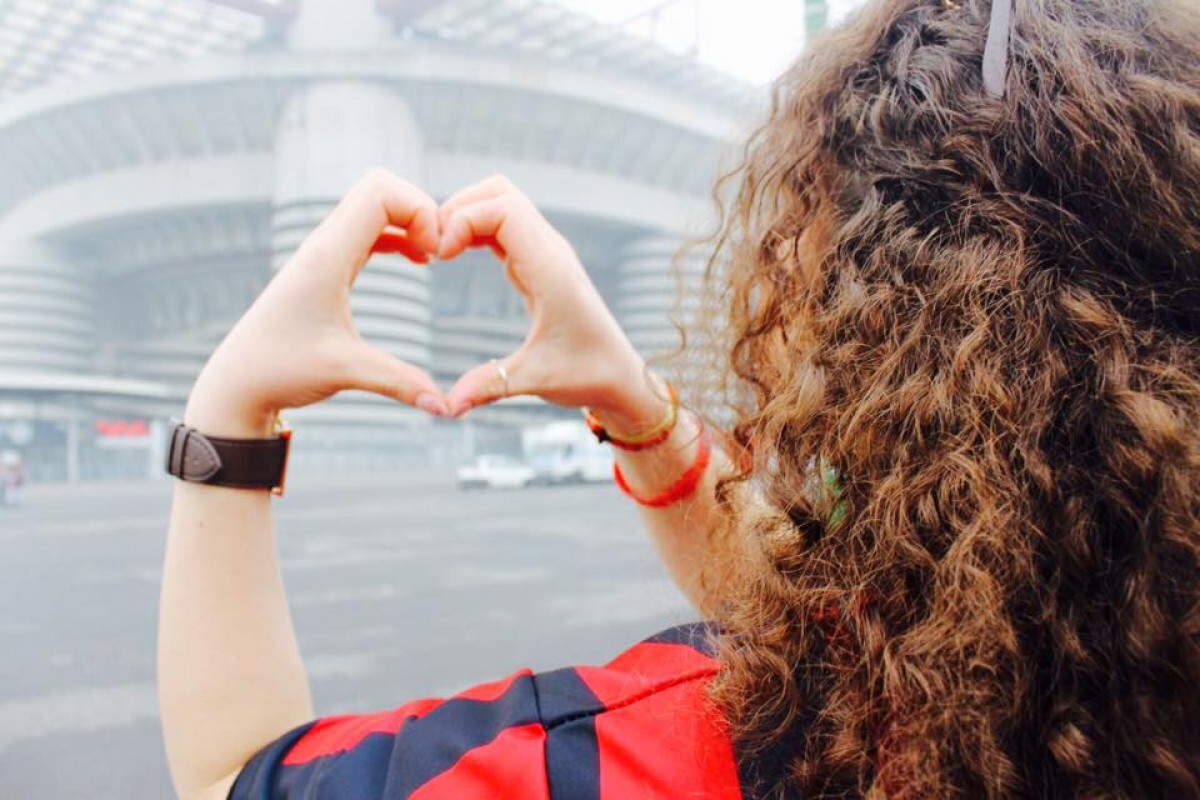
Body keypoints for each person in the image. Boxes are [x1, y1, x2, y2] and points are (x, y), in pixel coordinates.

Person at [157, 0, 1200, 797]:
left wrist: (229, 414)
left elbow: (232, 775)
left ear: (876, 351)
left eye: (792, 261)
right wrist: (635, 406)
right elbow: (836, 604)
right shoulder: (1136, 651)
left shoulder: (671, 750)